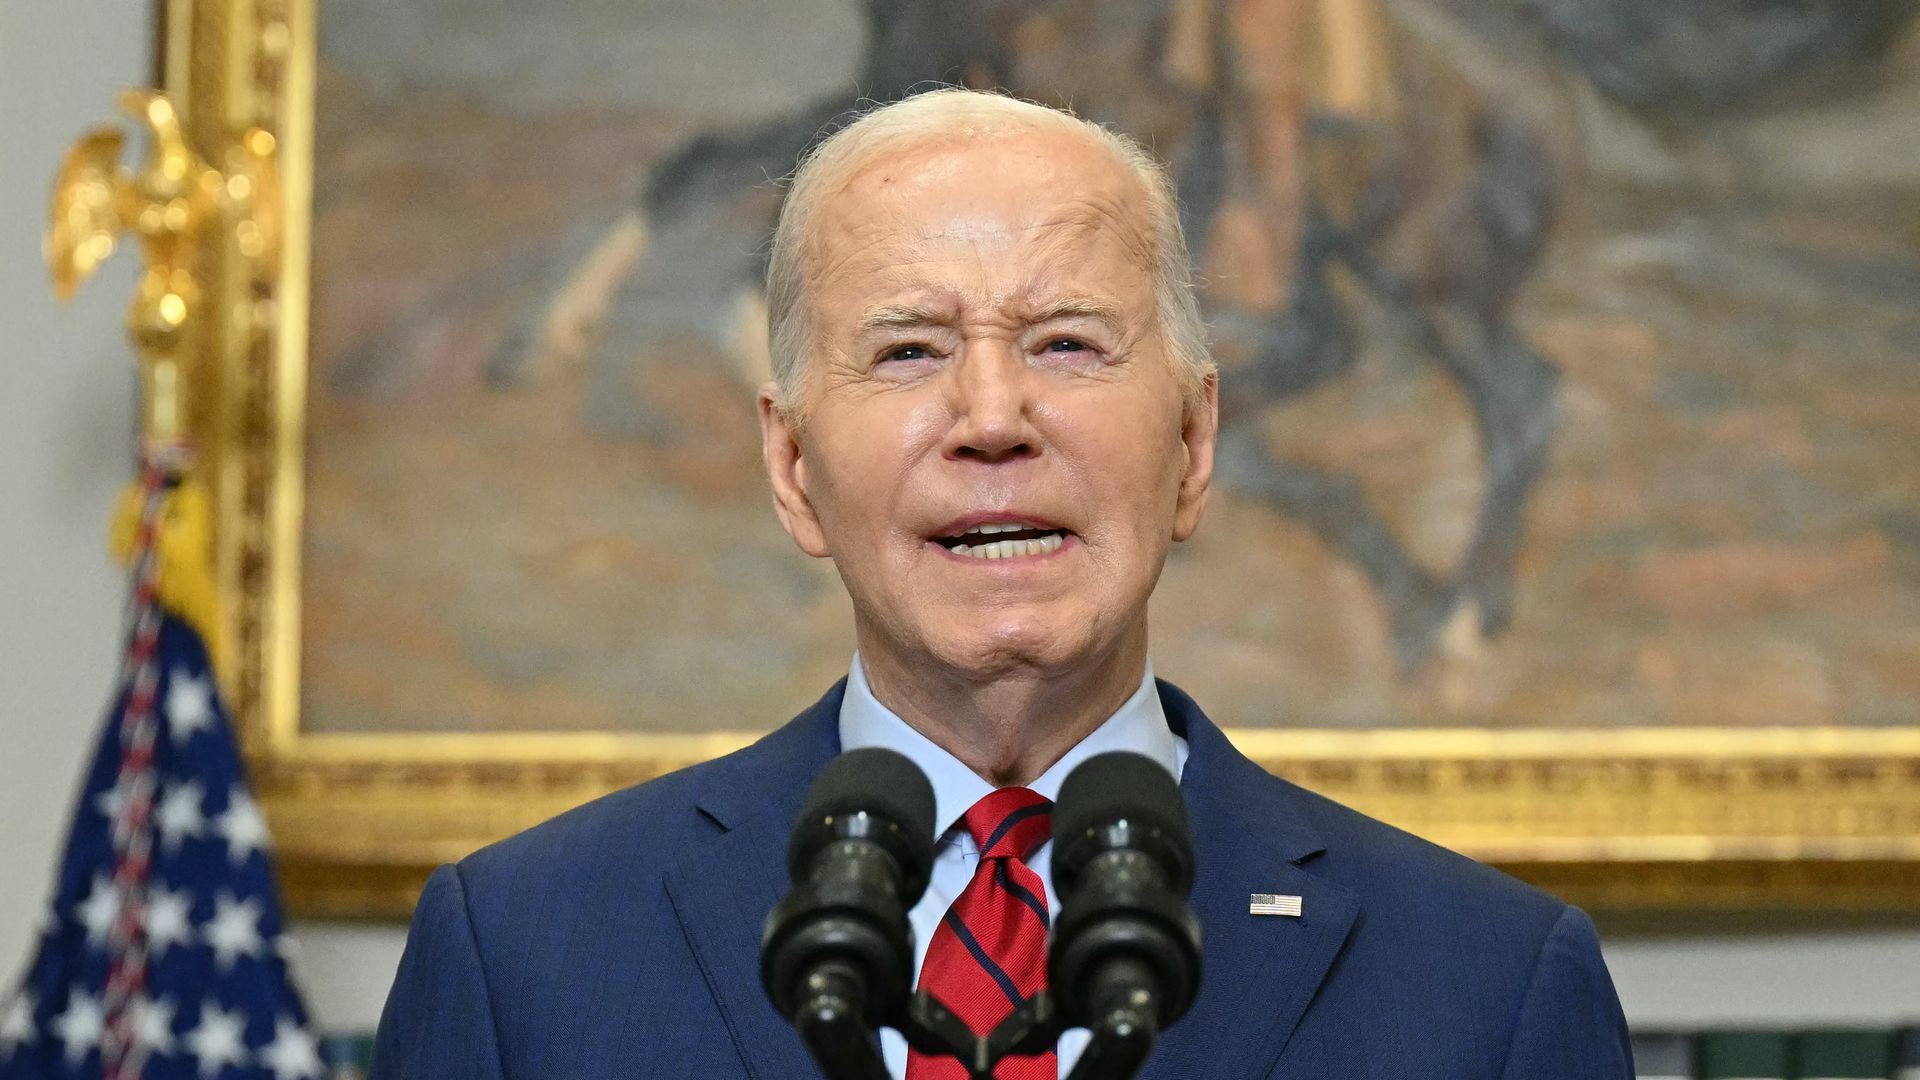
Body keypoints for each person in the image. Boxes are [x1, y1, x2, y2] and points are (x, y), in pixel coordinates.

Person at [370, 89, 1631, 1080]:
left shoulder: (1491, 986)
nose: (990, 417)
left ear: (1192, 446)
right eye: (909, 349)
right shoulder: (525, 953)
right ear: (794, 465)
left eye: (1067, 343)